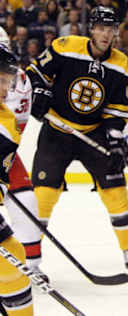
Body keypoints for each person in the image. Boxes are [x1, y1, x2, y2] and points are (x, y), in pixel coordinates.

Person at [25, 6, 128, 272]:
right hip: (56, 133)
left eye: (110, 29)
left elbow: (116, 111)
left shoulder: (120, 64)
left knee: (116, 191)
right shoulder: (64, 46)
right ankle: (31, 259)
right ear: (91, 29)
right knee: (43, 197)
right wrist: (40, 90)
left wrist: (113, 137)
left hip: (94, 131)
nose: (105, 33)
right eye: (100, 28)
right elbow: (33, 73)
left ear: (115, 32)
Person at [0, 27, 46, 282]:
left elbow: (14, 130)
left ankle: (31, 266)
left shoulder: (20, 80)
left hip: (2, 153)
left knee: (27, 201)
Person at [0, 44, 34, 316]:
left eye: (8, 81)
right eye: (0, 80)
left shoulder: (7, 123)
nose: (5, 89)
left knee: (13, 254)